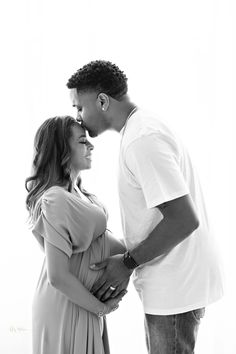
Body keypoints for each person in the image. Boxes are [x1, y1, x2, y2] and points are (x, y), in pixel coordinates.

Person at [67, 60, 225, 353]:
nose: (77, 117)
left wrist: (127, 263)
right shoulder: (139, 130)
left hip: (176, 289)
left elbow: (183, 220)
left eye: (79, 107)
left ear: (102, 101)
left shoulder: (143, 138)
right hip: (171, 286)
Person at [25, 115, 128, 354]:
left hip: (82, 302)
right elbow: (58, 276)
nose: (91, 145)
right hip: (68, 305)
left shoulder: (78, 195)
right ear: (62, 149)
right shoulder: (56, 199)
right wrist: (102, 308)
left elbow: (106, 246)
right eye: (82, 141)